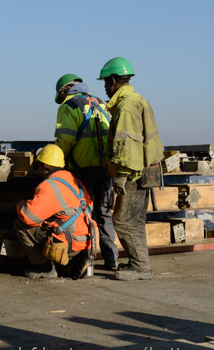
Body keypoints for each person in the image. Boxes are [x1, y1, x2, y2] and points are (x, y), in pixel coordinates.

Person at [98, 57, 164, 281]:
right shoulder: (139, 100)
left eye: (106, 84)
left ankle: (141, 267)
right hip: (147, 169)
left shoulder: (126, 107)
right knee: (135, 220)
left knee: (123, 220)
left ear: (114, 80)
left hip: (134, 173)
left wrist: (121, 176)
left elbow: (126, 146)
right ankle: (139, 262)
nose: (106, 89)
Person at [53, 73, 119, 271]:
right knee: (104, 213)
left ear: (64, 90)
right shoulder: (101, 102)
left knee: (84, 214)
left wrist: (55, 163)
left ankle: (85, 260)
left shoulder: (69, 106)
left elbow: (65, 140)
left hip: (81, 169)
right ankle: (111, 260)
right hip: (105, 168)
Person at [14, 144, 97, 279]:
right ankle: (70, 263)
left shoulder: (50, 185)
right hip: (85, 243)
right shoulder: (75, 180)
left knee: (21, 225)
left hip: (70, 243)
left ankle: (43, 267)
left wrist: (21, 204)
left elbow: (29, 216)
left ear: (41, 166)